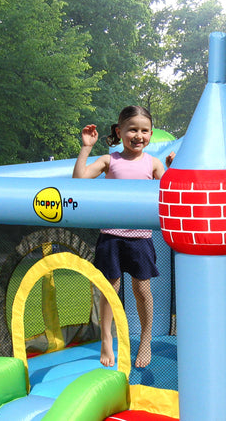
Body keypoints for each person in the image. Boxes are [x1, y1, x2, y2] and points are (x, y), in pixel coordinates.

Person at [73, 105, 174, 368]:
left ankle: (145, 339)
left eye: (144, 130)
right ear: (119, 132)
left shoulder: (153, 163)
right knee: (110, 288)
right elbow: (80, 179)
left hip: (140, 236)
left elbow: (171, 191)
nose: (139, 135)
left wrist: (174, 168)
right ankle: (107, 337)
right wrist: (86, 147)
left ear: (151, 133)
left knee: (142, 289)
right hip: (111, 235)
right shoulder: (110, 160)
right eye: (132, 130)